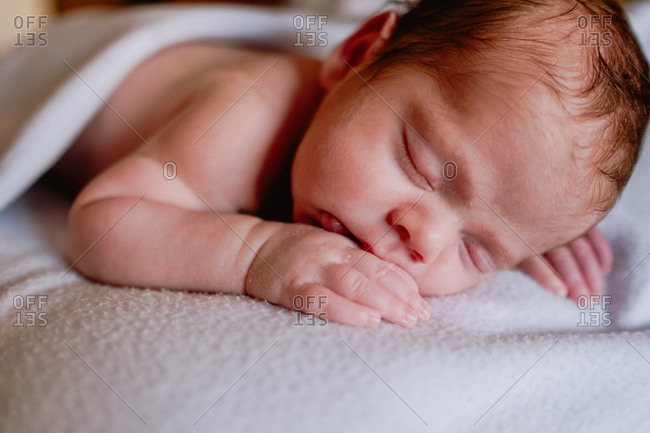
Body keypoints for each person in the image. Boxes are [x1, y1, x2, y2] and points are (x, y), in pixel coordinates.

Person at [51, 0, 649, 328]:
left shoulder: (456, 184)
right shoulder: (245, 116)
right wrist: (255, 253)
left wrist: (524, 218)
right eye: (420, 163)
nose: (426, 237)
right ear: (359, 55)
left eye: (477, 251)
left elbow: (504, 184)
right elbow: (103, 220)